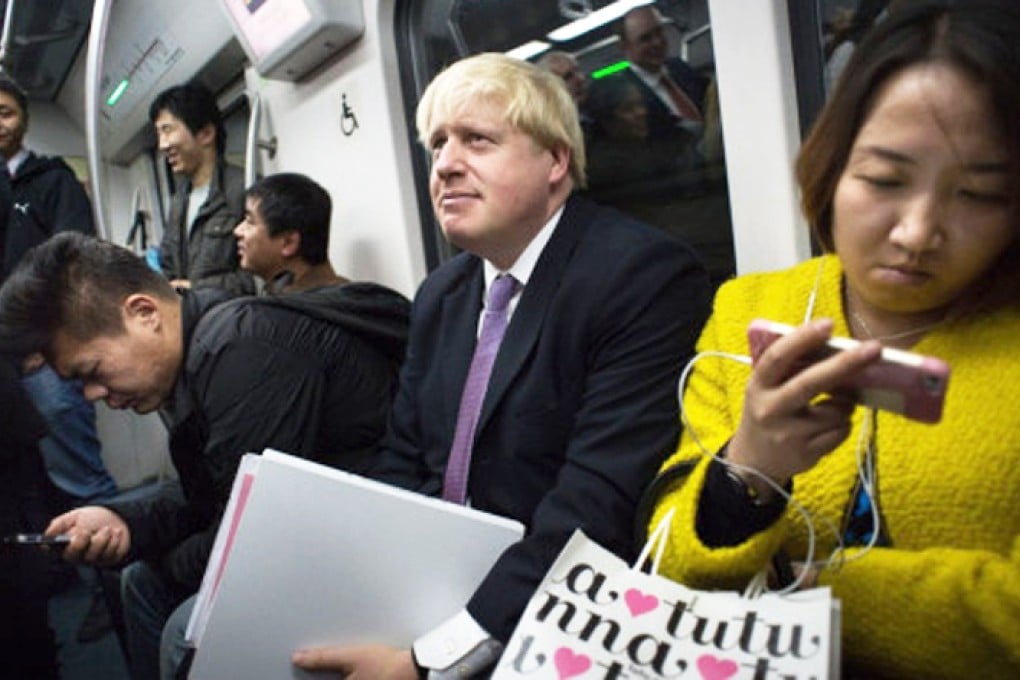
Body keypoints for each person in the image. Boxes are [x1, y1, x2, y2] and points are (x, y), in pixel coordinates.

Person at [291, 52, 711, 679]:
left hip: (568, 608)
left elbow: (596, 506)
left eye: (477, 141)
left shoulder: (639, 276)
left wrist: (428, 660)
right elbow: (406, 461)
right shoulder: (442, 294)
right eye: (437, 146)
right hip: (438, 586)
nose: (446, 165)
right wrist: (384, 596)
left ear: (556, 161)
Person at [648, 1, 1020, 677]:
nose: (917, 232)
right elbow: (672, 561)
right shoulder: (747, 308)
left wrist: (812, 589)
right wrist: (748, 471)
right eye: (884, 180)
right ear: (831, 165)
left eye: (978, 195)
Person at [0, 232, 411, 680]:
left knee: (180, 626)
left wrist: (157, 551)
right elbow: (214, 492)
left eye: (92, 372)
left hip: (378, 545)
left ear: (144, 313)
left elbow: (246, 537)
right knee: (140, 581)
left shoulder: (240, 350)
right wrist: (125, 523)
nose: (95, 395)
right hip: (321, 525)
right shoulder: (202, 345)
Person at [150, 82, 254, 295]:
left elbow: (260, 278)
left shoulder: (244, 190)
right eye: (159, 134)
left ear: (206, 133)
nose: (162, 145)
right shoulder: (179, 201)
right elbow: (171, 269)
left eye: (167, 130)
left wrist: (198, 290)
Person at [233, 172, 348, 293]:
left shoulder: (292, 309)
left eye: (250, 222)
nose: (237, 231)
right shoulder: (346, 298)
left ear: (289, 242)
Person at [616, 4, 708, 143]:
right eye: (645, 39)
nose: (657, 42)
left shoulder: (679, 68)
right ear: (625, 47)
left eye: (659, 31)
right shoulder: (623, 96)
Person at [536, 51, 593, 139]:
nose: (580, 79)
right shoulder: (556, 135)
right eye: (567, 77)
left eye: (578, 70)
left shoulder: (600, 112)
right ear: (549, 89)